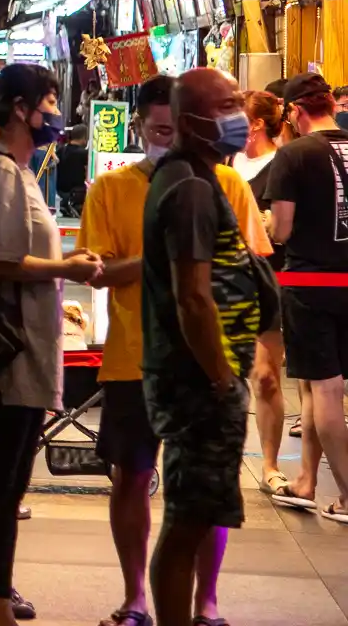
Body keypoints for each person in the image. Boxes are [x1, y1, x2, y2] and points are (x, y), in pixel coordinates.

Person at [79, 74, 268, 626]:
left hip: (202, 362)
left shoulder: (227, 183)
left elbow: (250, 260)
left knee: (204, 497)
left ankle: (206, 601)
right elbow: (101, 271)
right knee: (135, 479)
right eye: (157, 128)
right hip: (145, 359)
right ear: (144, 127)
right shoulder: (129, 189)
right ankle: (137, 597)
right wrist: (219, 375)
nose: (239, 116)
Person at [0, 64, 98, 626]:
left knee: (8, 486)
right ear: (21, 108)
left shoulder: (15, 168)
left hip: (21, 348)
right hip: (3, 353)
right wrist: (67, 267)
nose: (56, 114)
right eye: (51, 102)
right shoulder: (1, 173)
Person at [139, 69, 264, 626]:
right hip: (196, 383)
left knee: (194, 515)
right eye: (229, 105)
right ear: (191, 122)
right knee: (186, 519)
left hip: (205, 378)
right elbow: (193, 297)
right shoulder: (188, 186)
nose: (241, 116)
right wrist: (220, 377)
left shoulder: (201, 176)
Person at [265, 72, 348, 524]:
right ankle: (307, 481)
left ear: (296, 111)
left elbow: (281, 229)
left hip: (312, 283)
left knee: (325, 390)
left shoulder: (294, 155)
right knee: (321, 389)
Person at [234, 89, 290, 497]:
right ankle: (222, 458)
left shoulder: (283, 165)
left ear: (255, 123)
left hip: (269, 281)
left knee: (266, 377)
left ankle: (270, 465)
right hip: (220, 281)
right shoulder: (221, 161)